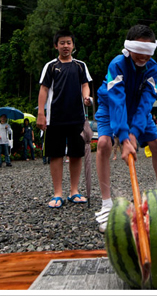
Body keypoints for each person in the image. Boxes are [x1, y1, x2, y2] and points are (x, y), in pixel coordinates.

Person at [93, 25, 157, 232]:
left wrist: (134, 134)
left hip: (137, 109)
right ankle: (107, 204)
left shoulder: (153, 68)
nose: (143, 56)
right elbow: (116, 99)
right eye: (139, 50)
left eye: (148, 51)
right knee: (104, 143)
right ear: (128, 47)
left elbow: (147, 102)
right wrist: (124, 139)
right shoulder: (117, 64)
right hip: (110, 105)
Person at [37, 29, 92, 209]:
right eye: (62, 43)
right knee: (56, 154)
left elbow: (85, 84)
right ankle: (57, 193)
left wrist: (86, 97)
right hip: (55, 118)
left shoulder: (80, 65)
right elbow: (44, 89)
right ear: (56, 46)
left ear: (73, 45)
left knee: (76, 154)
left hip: (77, 117)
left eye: (69, 42)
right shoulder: (51, 66)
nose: (66, 46)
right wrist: (41, 114)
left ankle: (74, 191)